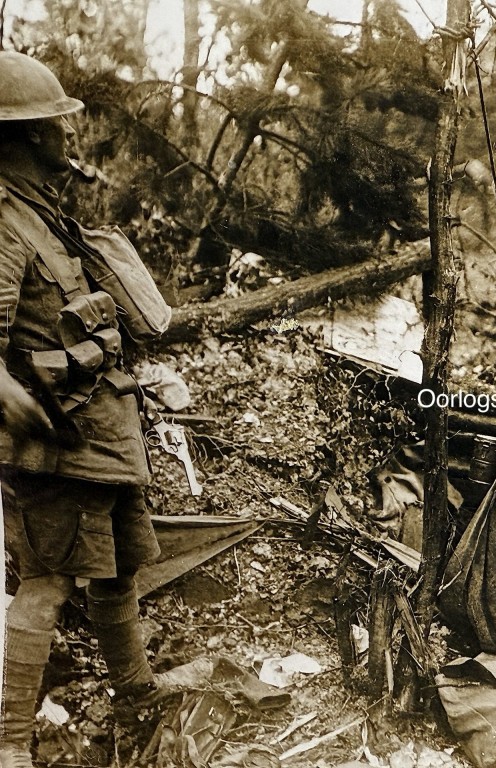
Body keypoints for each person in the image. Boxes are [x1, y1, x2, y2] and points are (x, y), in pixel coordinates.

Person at [0, 51, 165, 768]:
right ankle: (9, 743)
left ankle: (135, 694)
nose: (72, 134)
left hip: (99, 432)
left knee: (119, 568)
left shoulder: (46, 214)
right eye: (60, 123)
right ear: (32, 135)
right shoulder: (5, 224)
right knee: (45, 582)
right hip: (55, 443)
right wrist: (12, 404)